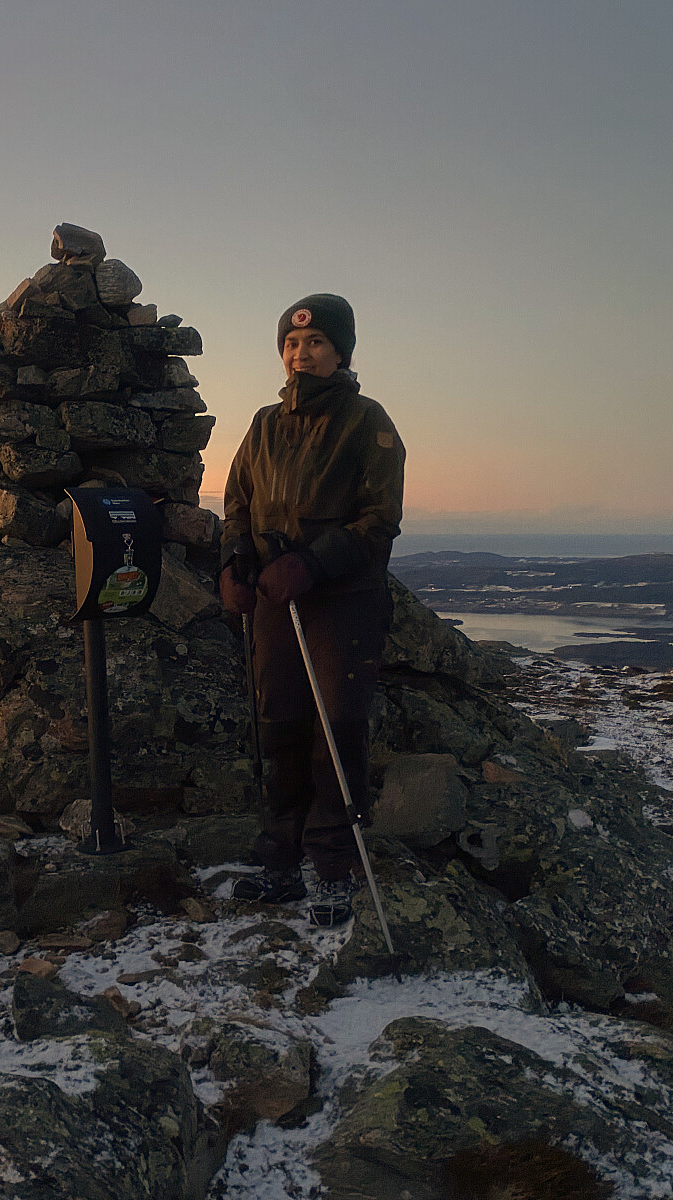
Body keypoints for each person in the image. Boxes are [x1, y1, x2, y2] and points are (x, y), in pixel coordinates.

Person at [219, 293, 405, 926]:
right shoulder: (264, 424)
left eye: (316, 342)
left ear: (340, 352)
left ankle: (332, 863)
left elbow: (379, 518)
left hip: (341, 602)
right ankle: (280, 855)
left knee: (336, 729)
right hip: (276, 599)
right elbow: (238, 500)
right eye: (292, 344)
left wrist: (313, 564)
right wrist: (235, 562)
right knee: (278, 723)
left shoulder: (367, 422)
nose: (301, 353)